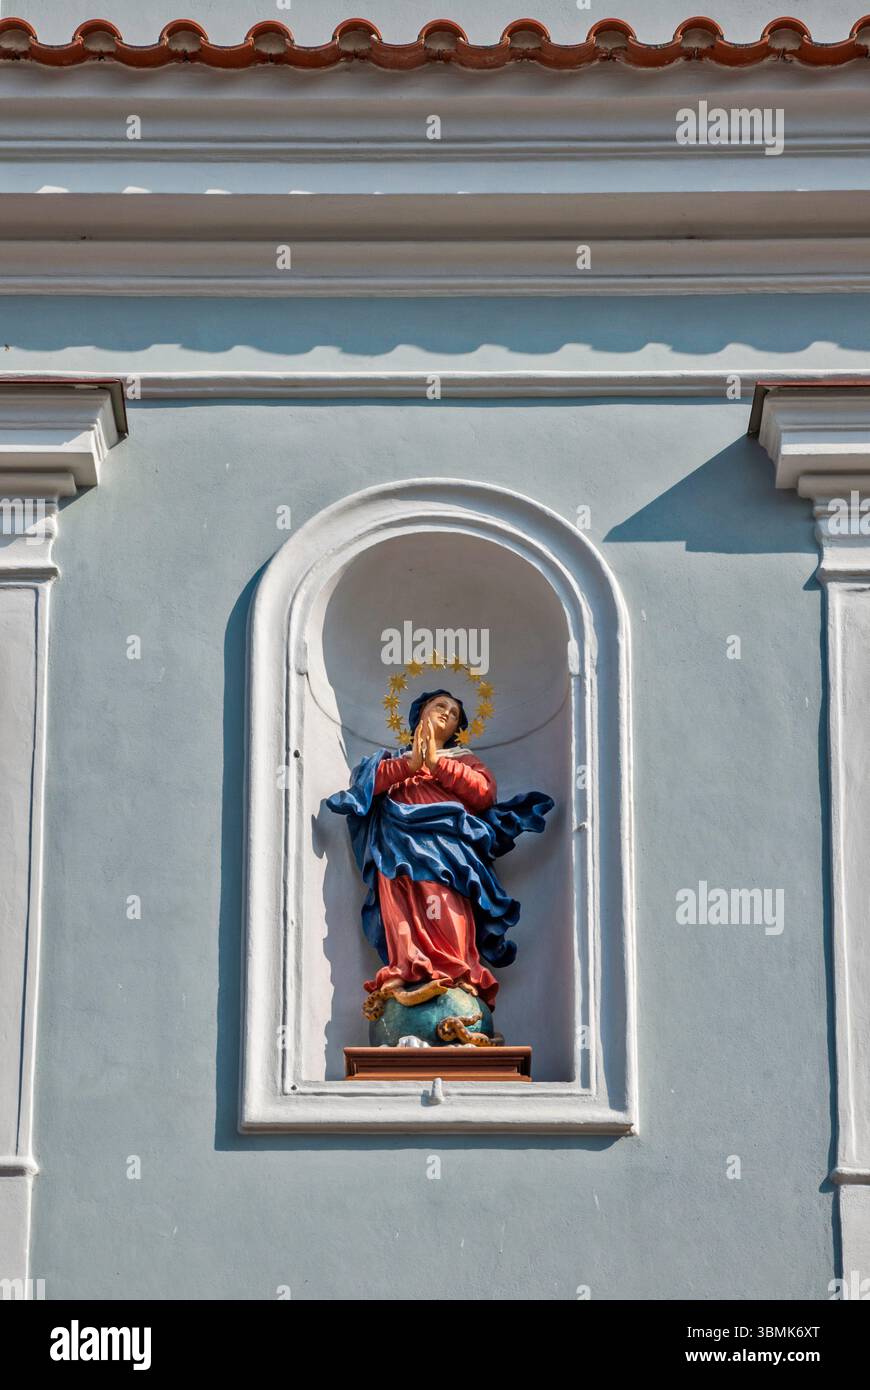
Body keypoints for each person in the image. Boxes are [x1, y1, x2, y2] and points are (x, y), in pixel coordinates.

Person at [327, 688, 553, 1018]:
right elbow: (365, 789)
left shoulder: (462, 757)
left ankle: (455, 973)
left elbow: (483, 794)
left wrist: (436, 764)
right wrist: (411, 764)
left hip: (447, 849)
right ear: (421, 712)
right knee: (402, 911)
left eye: (455, 714)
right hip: (396, 849)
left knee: (444, 906)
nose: (447, 713)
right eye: (440, 706)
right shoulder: (392, 760)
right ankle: (406, 969)